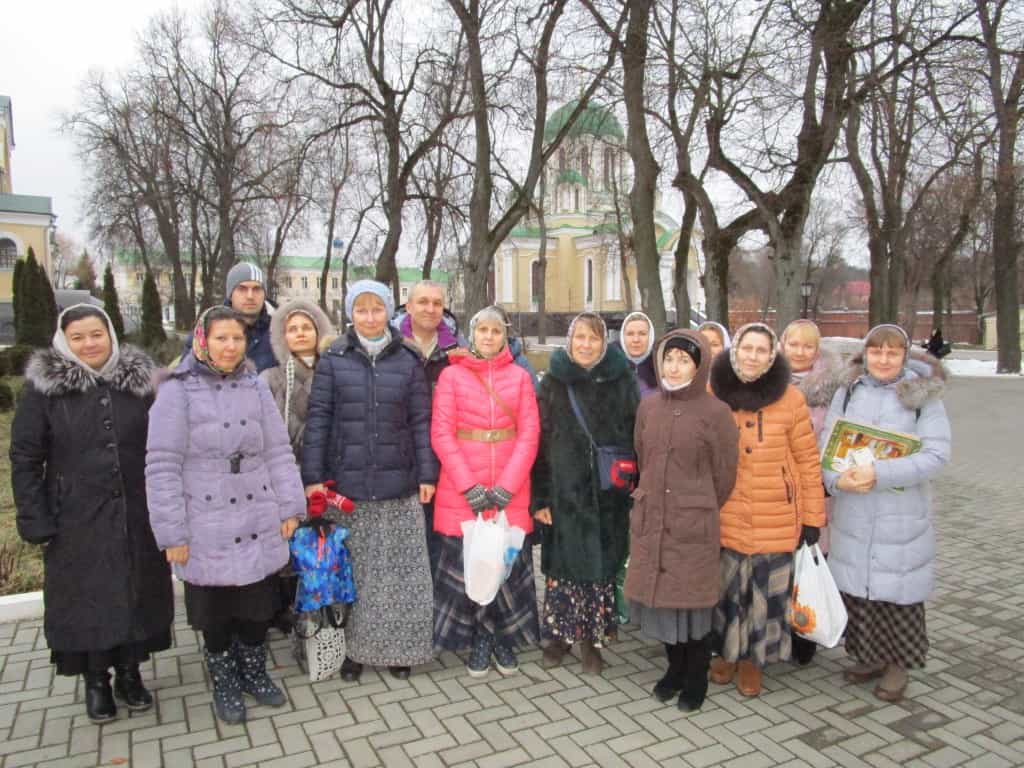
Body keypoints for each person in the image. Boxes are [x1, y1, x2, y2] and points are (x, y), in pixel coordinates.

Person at [11, 305, 174, 725]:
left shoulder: (140, 383)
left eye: (97, 334)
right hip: (76, 517)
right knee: (89, 600)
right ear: (65, 341)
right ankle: (96, 681)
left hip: (138, 511)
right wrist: (35, 517)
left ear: (111, 335)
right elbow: (26, 458)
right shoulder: (44, 391)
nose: (89, 344)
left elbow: (166, 441)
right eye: (79, 337)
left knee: (136, 591)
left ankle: (130, 673)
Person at [147, 306, 305, 725]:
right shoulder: (177, 390)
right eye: (221, 338)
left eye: (237, 338)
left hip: (256, 513)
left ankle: (254, 672)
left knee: (256, 608)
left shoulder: (254, 386)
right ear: (202, 340)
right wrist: (171, 533)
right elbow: (161, 464)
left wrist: (290, 506)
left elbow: (278, 450)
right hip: (204, 519)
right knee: (215, 614)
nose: (230, 346)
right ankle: (225, 681)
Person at [301, 280, 438, 682]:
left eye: (377, 308)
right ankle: (354, 652)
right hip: (349, 487)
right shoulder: (334, 359)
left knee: (399, 576)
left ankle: (399, 650)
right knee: (354, 575)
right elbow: (319, 420)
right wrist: (313, 478)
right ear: (350, 314)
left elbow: (420, 421)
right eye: (361, 310)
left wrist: (427, 475)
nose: (370, 317)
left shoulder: (407, 359)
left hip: (399, 485)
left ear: (389, 312)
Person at [822, 324, 951, 702]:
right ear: (866, 355)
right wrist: (835, 480)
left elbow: (937, 455)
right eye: (876, 352)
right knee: (860, 587)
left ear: (904, 357)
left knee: (898, 590)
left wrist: (881, 473)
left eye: (892, 353)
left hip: (900, 511)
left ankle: (898, 663)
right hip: (854, 509)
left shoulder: (922, 397)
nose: (883, 359)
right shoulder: (848, 392)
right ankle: (870, 655)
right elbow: (826, 445)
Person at [708, 322, 825, 697]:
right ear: (735, 350)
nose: (753, 356)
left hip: (775, 513)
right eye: (747, 348)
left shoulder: (790, 399)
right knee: (727, 592)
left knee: (763, 595)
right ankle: (726, 654)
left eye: (762, 350)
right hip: (727, 511)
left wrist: (812, 517)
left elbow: (807, 461)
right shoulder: (715, 393)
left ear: (772, 355)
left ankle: (753, 661)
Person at [626, 330, 738, 712]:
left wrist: (697, 503)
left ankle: (695, 678)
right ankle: (673, 671)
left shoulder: (716, 412)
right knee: (664, 603)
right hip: (653, 517)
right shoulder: (650, 407)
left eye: (683, 360)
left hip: (693, 524)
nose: (674, 367)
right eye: (668, 359)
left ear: (699, 365)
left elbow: (725, 475)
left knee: (694, 606)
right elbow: (643, 455)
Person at [430, 306, 541, 677]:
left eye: (496, 331)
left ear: (505, 335)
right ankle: (479, 637)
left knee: (505, 568)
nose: (489, 337)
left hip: (509, 490)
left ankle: (504, 637)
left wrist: (508, 486)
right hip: (465, 491)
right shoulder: (451, 377)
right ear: (472, 335)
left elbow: (529, 434)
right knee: (474, 568)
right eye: (483, 331)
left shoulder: (521, 378)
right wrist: (469, 485)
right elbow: (442, 435)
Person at [532, 312, 639, 676]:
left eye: (593, 338)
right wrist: (541, 498)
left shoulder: (622, 380)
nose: (586, 344)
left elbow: (636, 436)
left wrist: (631, 484)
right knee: (563, 570)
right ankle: (560, 636)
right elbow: (540, 444)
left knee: (600, 571)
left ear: (604, 341)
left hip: (607, 493)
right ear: (569, 340)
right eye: (579, 337)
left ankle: (592, 641)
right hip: (564, 493)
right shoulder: (552, 383)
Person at [778, 319, 844, 665]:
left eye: (808, 346)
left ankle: (807, 632)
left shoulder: (833, 389)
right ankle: (781, 629)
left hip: (815, 486)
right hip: (775, 488)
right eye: (794, 344)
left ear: (817, 351)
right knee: (780, 563)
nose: (800, 352)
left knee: (812, 558)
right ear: (782, 345)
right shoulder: (767, 382)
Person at [260, 299, 335, 461]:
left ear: (319, 332)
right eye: (292, 329)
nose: (300, 333)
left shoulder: (334, 375)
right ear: (283, 336)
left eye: (307, 327)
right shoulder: (269, 379)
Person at [183, 262, 276, 372]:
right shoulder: (207, 329)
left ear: (264, 294)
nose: (250, 296)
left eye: (256, 289)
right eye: (242, 289)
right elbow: (185, 377)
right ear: (230, 294)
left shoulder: (281, 329)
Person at [393, 280, 466, 388]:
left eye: (437, 303)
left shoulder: (458, 345)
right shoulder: (391, 343)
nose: (431, 310)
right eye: (423, 302)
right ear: (409, 307)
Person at [616, 311, 658, 398]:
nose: (636, 340)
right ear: (623, 337)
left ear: (650, 337)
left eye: (642, 334)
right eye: (630, 334)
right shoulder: (607, 370)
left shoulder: (663, 370)